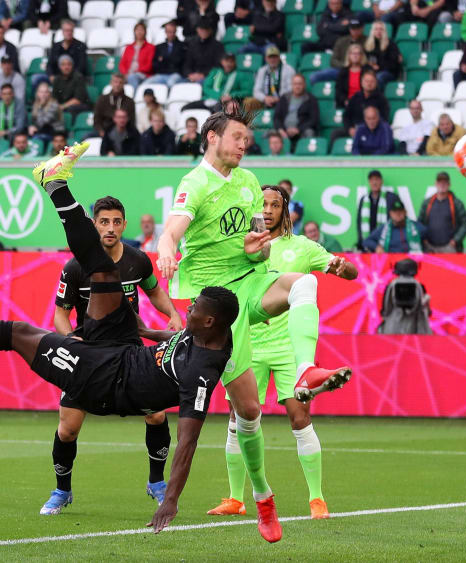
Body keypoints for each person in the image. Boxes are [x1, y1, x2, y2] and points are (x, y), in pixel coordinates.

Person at [0, 152, 244, 537]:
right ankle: (54, 182)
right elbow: (176, 336)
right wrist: (146, 330)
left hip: (105, 379)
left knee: (17, 333)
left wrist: (172, 500)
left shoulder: (200, 375)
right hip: (123, 347)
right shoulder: (214, 332)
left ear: (209, 321)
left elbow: (188, 442)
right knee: (103, 268)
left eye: (194, 309)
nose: (187, 308)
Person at [153, 108, 354, 540]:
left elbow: (260, 248)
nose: (244, 145)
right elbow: (171, 230)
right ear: (212, 137)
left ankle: (305, 369)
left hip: (251, 282)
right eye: (237, 137)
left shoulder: (248, 182)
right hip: (217, 307)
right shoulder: (195, 183)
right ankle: (263, 498)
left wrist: (256, 246)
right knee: (248, 411)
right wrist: (166, 248)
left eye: (247, 139)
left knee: (304, 284)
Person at [207, 185, 357, 520]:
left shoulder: (303, 247)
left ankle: (317, 499)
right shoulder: (242, 247)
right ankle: (235, 499)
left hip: (287, 348)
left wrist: (341, 266)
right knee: (237, 419)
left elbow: (351, 273)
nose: (268, 210)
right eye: (263, 204)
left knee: (300, 418)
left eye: (275, 204)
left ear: (285, 210)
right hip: (248, 344)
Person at [45, 194, 182, 515]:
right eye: (104, 222)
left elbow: (155, 291)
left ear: (124, 225)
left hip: (130, 353)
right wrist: (72, 341)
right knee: (68, 428)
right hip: (88, 355)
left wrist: (173, 314)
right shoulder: (75, 267)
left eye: (116, 222)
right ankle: (62, 491)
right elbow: (60, 314)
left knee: (156, 414)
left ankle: (156, 482)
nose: (110, 228)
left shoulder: (137, 260)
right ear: (94, 225)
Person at [418, 171, 466, 253]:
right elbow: (419, 223)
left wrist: (455, 240)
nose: (442, 184)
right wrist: (424, 239)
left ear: (449, 184)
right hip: (429, 248)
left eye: (445, 182)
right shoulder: (427, 203)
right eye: (440, 182)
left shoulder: (456, 203)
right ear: (435, 184)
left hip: (449, 248)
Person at [337, 70, 389, 146]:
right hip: (354, 129)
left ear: (376, 83)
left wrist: (365, 129)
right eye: (367, 81)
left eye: (371, 81)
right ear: (361, 82)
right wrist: (350, 129)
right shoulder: (355, 97)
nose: (369, 84)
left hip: (372, 131)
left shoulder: (381, 99)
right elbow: (346, 116)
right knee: (336, 134)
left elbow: (384, 118)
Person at [363, 198, 428, 253]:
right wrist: (377, 247)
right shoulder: (384, 229)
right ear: (390, 213)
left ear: (405, 212)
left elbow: (429, 237)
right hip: (391, 262)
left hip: (412, 261)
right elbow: (366, 241)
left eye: (400, 211)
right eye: (395, 212)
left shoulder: (416, 227)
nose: (398, 214)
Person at [274, 74, 319, 152]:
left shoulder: (311, 99)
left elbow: (314, 120)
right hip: (284, 130)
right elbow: (276, 117)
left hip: (301, 130)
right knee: (270, 134)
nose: (297, 86)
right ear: (292, 85)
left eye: (300, 84)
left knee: (309, 133)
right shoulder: (284, 98)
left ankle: (305, 155)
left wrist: (298, 129)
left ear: (304, 85)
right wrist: (281, 129)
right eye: (295, 84)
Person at [311, 21, 365, 85]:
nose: (355, 31)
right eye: (353, 28)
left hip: (361, 70)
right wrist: (345, 65)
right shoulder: (342, 41)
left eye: (357, 28)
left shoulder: (367, 41)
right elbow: (333, 60)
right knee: (314, 76)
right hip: (342, 69)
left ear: (362, 29)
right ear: (350, 29)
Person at [356, 169, 398, 249]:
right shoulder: (364, 199)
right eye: (372, 180)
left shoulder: (390, 197)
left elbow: (396, 219)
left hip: (386, 243)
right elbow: (359, 222)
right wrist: (361, 241)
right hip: (368, 243)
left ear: (381, 181)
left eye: (377, 179)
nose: (374, 182)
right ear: (369, 182)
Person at [143, 20, 188, 89]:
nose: (171, 34)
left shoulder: (182, 46)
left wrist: (163, 59)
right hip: (161, 74)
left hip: (176, 74)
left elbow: (181, 62)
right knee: (146, 84)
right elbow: (155, 64)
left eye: (173, 32)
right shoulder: (159, 47)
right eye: (169, 32)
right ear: (165, 32)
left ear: (176, 32)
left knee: (171, 83)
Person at [250, 46, 295, 110]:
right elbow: (256, 90)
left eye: (274, 57)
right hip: (265, 100)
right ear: (266, 58)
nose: (272, 60)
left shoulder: (289, 70)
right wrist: (265, 98)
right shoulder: (262, 70)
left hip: (282, 100)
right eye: (270, 57)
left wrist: (278, 99)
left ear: (279, 57)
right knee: (249, 102)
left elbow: (291, 89)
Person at [183, 16, 225, 84]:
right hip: (193, 76)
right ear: (197, 30)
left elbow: (218, 66)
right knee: (179, 84)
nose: (204, 32)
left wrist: (203, 74)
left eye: (206, 29)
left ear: (210, 30)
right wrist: (190, 74)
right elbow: (187, 64)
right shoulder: (192, 45)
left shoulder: (217, 46)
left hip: (210, 76)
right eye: (201, 29)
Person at [47, 20, 89, 85]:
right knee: (38, 78)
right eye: (66, 30)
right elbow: (50, 64)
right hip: (57, 77)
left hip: (74, 78)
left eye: (70, 30)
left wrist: (68, 77)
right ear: (62, 32)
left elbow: (81, 66)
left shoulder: (80, 46)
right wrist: (51, 75)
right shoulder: (56, 46)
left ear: (73, 32)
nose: (68, 33)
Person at [364, 21, 402, 88]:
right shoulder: (368, 45)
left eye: (381, 29)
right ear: (372, 31)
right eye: (376, 29)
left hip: (388, 72)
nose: (378, 31)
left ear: (384, 31)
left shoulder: (391, 44)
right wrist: (371, 66)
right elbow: (365, 61)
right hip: (371, 71)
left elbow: (393, 64)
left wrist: (379, 67)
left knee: (379, 77)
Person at [334, 44, 372, 109]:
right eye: (353, 53)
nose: (355, 56)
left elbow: (372, 89)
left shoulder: (367, 69)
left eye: (358, 53)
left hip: (364, 103)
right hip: (347, 104)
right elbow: (338, 91)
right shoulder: (343, 71)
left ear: (361, 56)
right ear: (349, 55)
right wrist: (345, 101)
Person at [120, 21, 154, 89]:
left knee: (132, 77)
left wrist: (136, 71)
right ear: (134, 32)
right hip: (128, 74)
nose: (139, 32)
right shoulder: (128, 47)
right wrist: (125, 73)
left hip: (143, 74)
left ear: (145, 32)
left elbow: (150, 65)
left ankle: (134, 95)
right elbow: (122, 64)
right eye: (137, 30)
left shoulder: (150, 47)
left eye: (141, 30)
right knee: (116, 79)